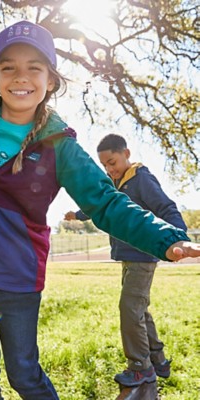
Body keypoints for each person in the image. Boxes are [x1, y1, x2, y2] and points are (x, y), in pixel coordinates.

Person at [0, 1, 200, 399]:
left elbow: (105, 203)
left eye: (34, 67)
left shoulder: (60, 147)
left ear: (50, 80)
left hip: (18, 279)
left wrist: (166, 237)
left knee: (25, 375)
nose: (21, 77)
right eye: (9, 67)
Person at [65, 133, 189, 387]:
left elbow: (166, 207)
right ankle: (158, 360)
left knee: (129, 309)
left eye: (112, 162)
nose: (109, 169)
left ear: (126, 154)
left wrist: (180, 238)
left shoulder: (141, 179)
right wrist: (77, 215)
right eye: (105, 166)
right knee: (139, 308)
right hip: (128, 256)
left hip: (142, 254)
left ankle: (140, 368)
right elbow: (100, 205)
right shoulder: (116, 183)